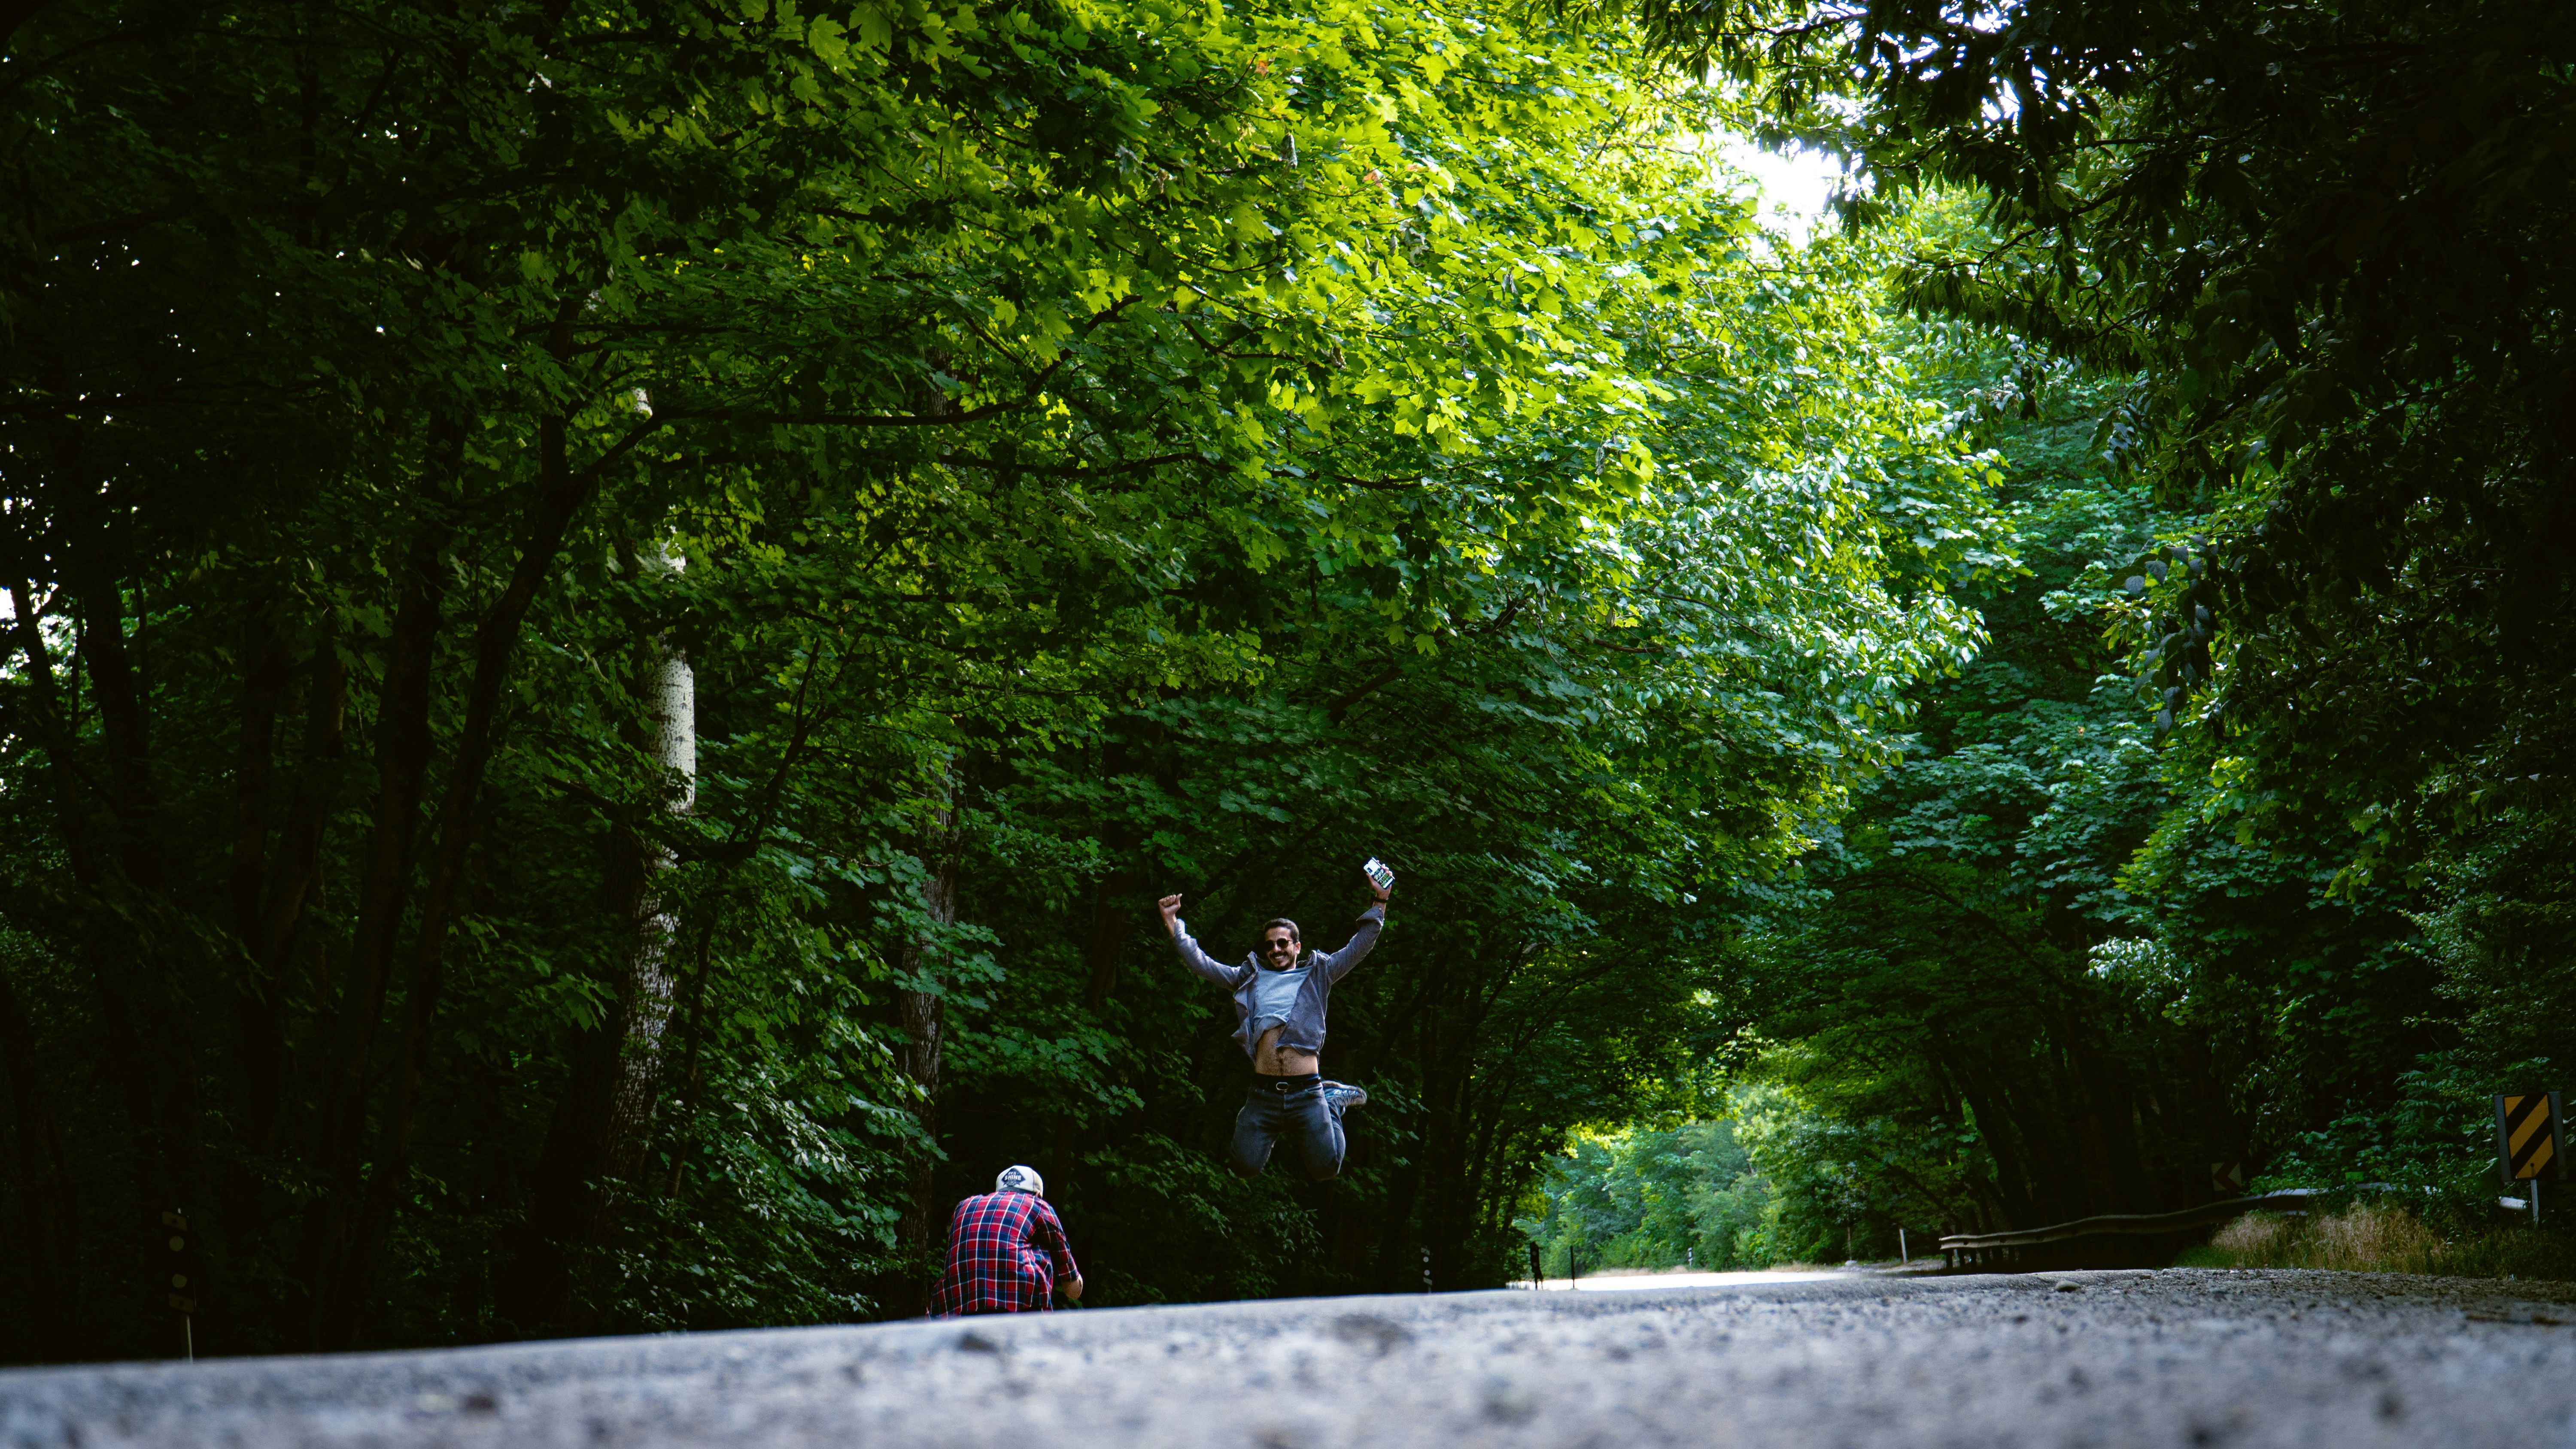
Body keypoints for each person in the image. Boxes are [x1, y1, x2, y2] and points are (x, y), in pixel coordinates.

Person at [1158, 864, 1391, 1182]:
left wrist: (1380, 902)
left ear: (1297, 947)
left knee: (1327, 1168)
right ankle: (1290, 1117)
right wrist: (1174, 925)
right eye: (1269, 945)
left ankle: (1333, 1101)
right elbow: (1204, 966)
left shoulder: (1319, 973)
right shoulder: (1250, 979)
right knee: (1244, 1167)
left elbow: (1359, 946)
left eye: (1283, 943)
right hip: (1263, 1094)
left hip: (1307, 1093)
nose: (1275, 950)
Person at [927, 1164, 1084, 1317]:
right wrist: (1076, 1280)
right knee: (1041, 1250)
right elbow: (1072, 1290)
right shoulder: (1038, 1205)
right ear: (1037, 1195)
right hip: (1019, 1308)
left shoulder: (964, 1206)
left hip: (957, 1309)